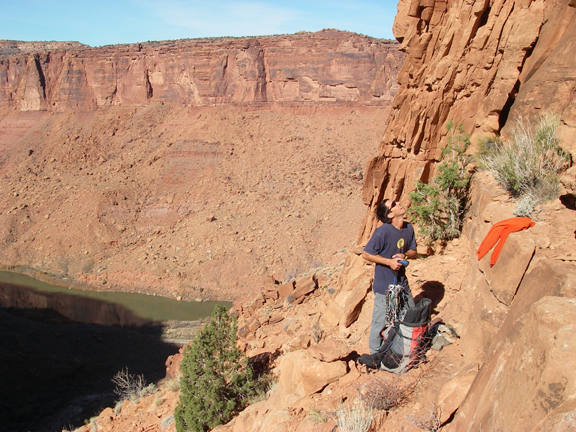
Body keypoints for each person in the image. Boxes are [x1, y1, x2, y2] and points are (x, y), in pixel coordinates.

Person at [362, 199, 417, 354]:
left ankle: (406, 349)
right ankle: (375, 354)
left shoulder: (408, 228)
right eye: (393, 204)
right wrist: (389, 262)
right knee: (380, 320)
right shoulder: (382, 232)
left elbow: (414, 251)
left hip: (402, 282)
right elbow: (366, 254)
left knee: (410, 313)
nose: (398, 202)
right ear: (390, 214)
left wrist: (404, 254)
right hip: (384, 284)